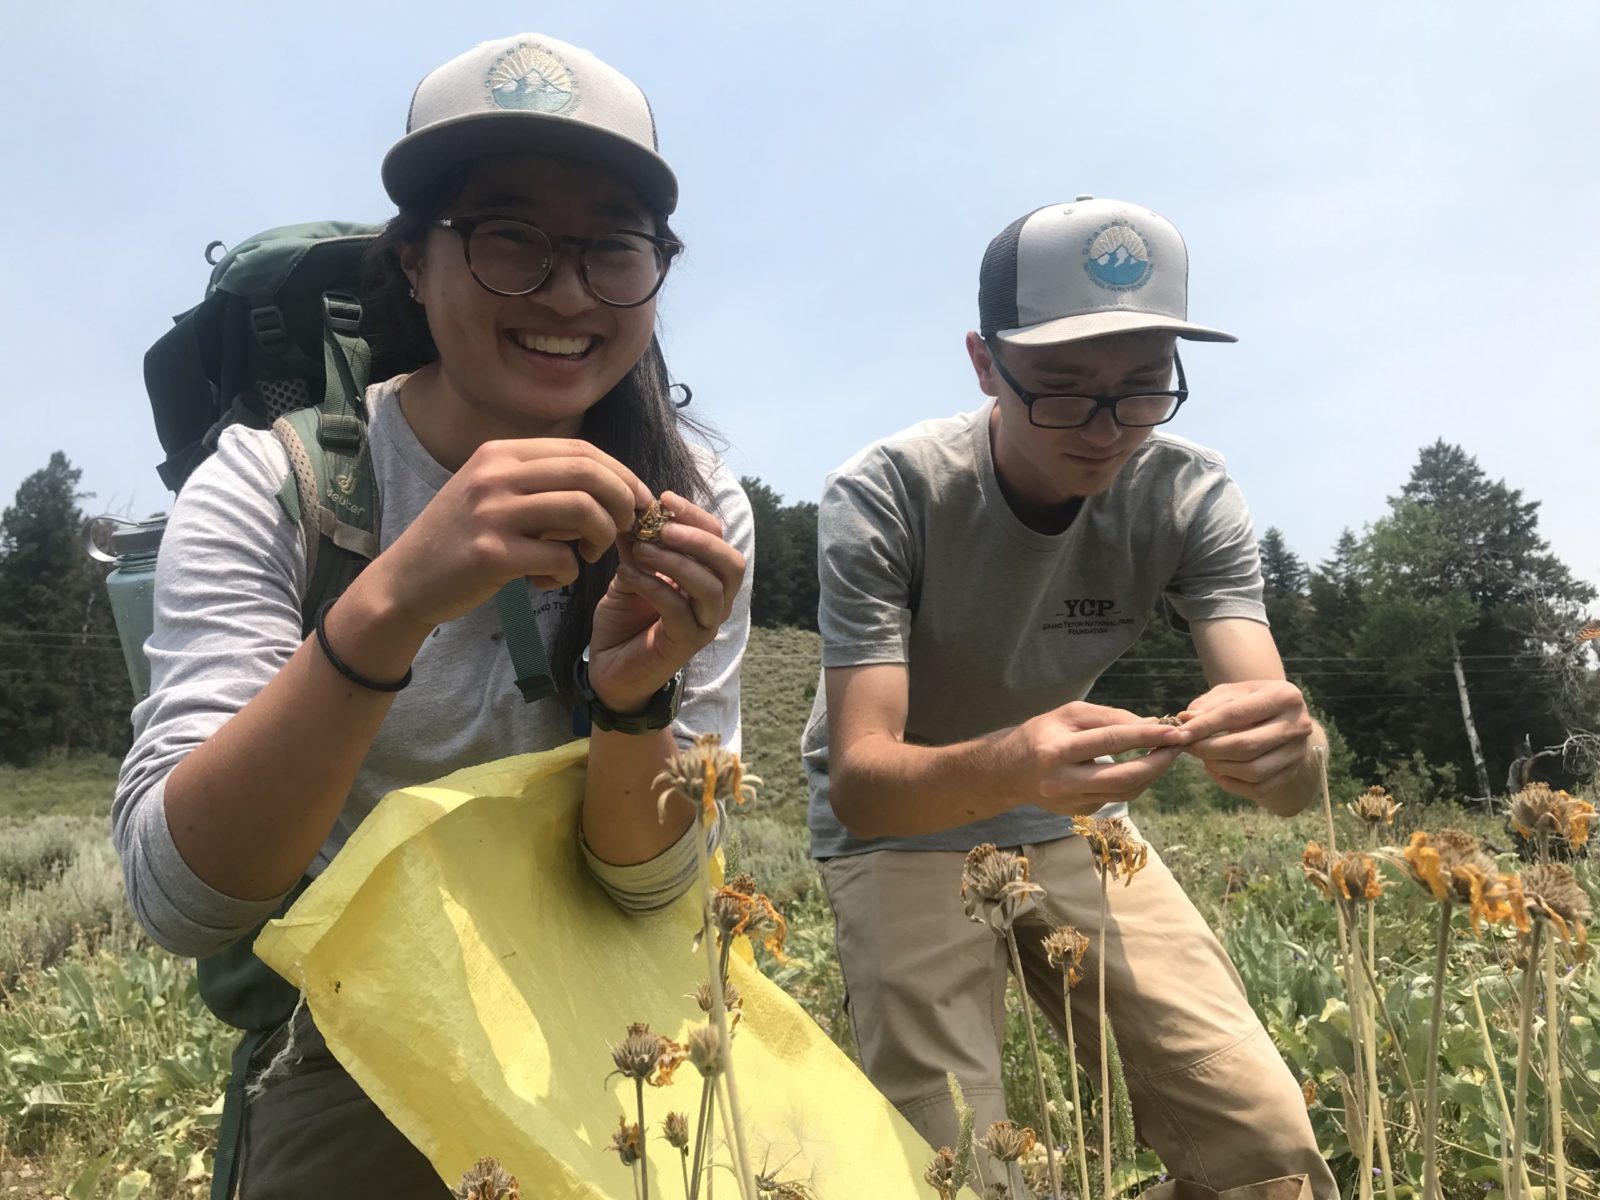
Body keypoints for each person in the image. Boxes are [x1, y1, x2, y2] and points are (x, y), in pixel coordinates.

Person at [112, 33, 752, 1199]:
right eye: (508, 237)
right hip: (356, 1037)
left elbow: (653, 891)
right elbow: (183, 897)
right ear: (411, 262)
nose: (566, 292)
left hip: (612, 1016)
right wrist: (393, 601)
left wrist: (632, 700)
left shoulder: (695, 503)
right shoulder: (272, 487)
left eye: (613, 248)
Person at [803, 196, 1337, 1195]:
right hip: (902, 828)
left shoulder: (1187, 494)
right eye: (1059, 389)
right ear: (983, 364)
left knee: (1262, 1143)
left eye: (1141, 390)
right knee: (957, 1169)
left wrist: (1282, 751)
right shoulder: (886, 494)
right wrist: (1013, 762)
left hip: (1075, 818)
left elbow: (1286, 767)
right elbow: (864, 785)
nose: (1104, 431)